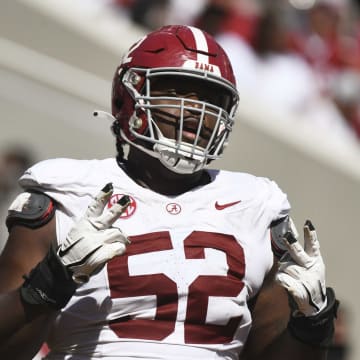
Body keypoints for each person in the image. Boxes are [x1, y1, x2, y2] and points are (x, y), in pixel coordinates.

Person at [0, 25, 338, 359]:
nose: (195, 109)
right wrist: (50, 282)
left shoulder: (256, 207)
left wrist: (313, 326)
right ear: (126, 96)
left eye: (211, 98)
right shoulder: (68, 190)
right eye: (177, 90)